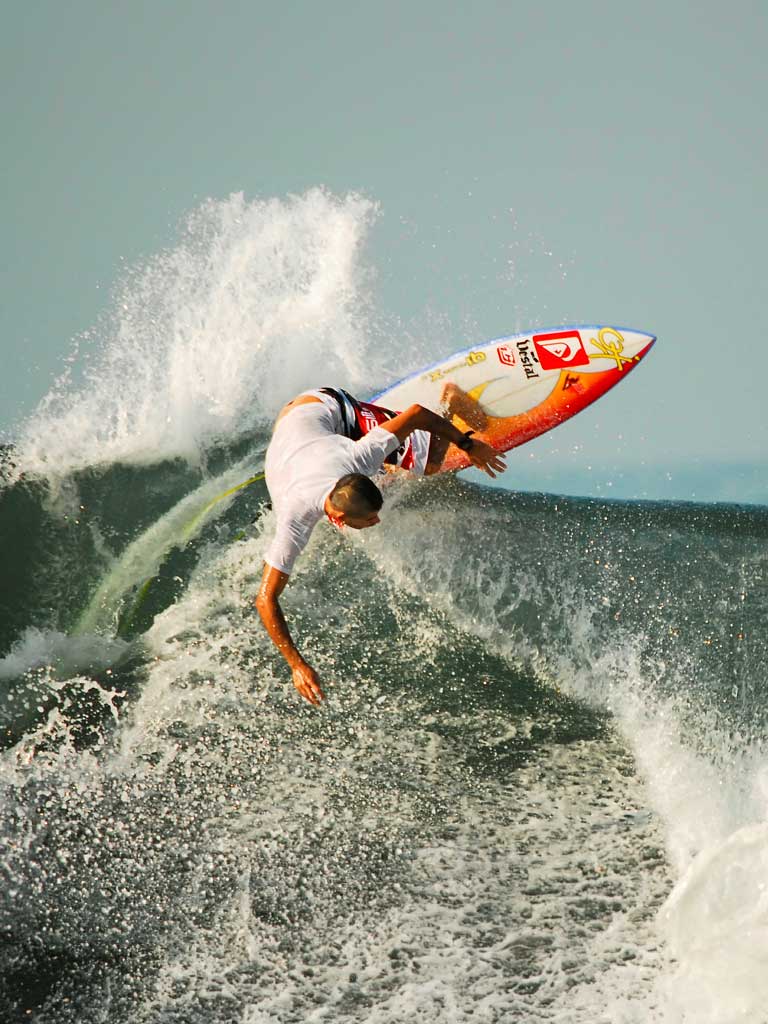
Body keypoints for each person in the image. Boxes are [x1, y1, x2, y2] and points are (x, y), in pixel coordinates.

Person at [255, 386, 506, 705]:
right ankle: (395, 449)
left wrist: (467, 443)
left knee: (431, 463)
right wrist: (296, 665)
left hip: (322, 411)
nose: (375, 522)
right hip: (301, 420)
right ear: (340, 516)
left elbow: (415, 414)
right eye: (369, 519)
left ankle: (450, 404)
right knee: (410, 468)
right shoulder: (295, 516)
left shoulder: (358, 456)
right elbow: (265, 600)